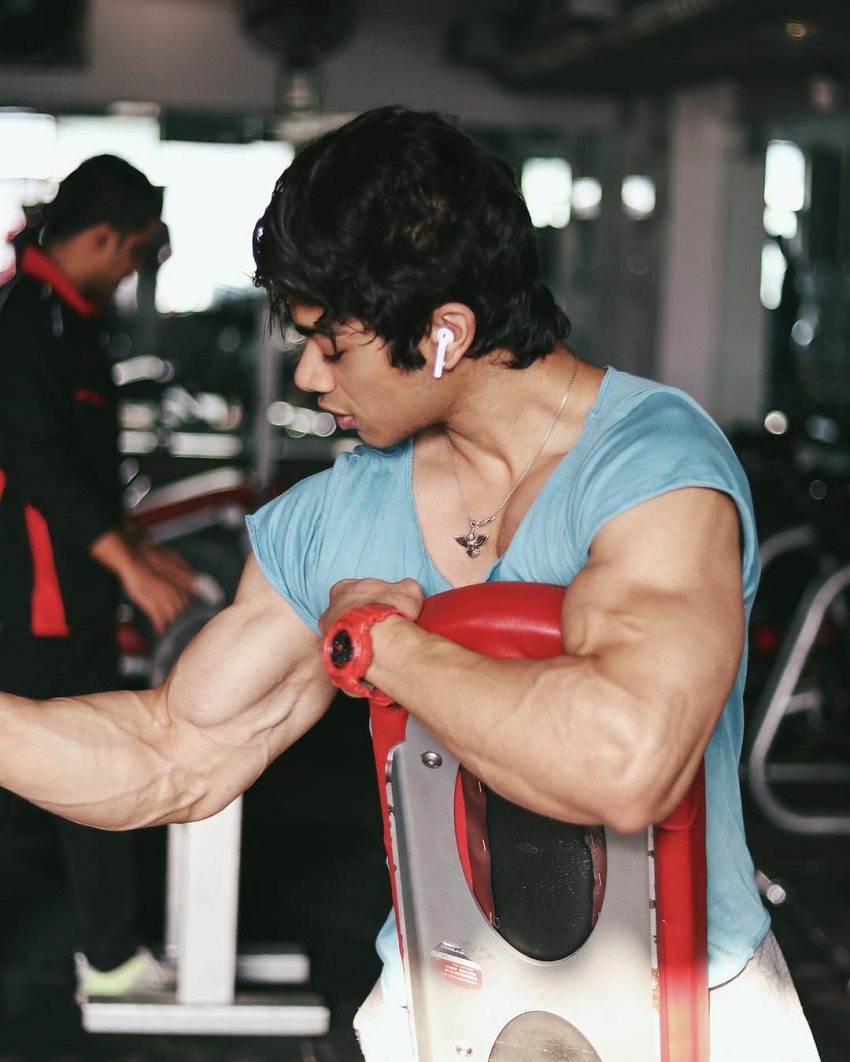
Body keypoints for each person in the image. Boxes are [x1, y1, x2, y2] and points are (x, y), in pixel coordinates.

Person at [0, 110, 819, 1059]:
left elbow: (625, 765)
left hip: (687, 1010)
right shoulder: (339, 514)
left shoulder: (651, 467)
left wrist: (388, 644)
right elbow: (174, 751)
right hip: (441, 1010)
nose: (308, 373)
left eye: (331, 343)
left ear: (443, 335)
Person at [0, 155, 195, 1003]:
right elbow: (38, 464)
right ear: (103, 235)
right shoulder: (23, 321)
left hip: (70, 596)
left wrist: (139, 554)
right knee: (37, 773)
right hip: (29, 602)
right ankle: (110, 955)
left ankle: (111, 956)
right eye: (134, 252)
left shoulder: (73, 322)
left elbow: (89, 470)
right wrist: (128, 566)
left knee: (91, 768)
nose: (132, 270)